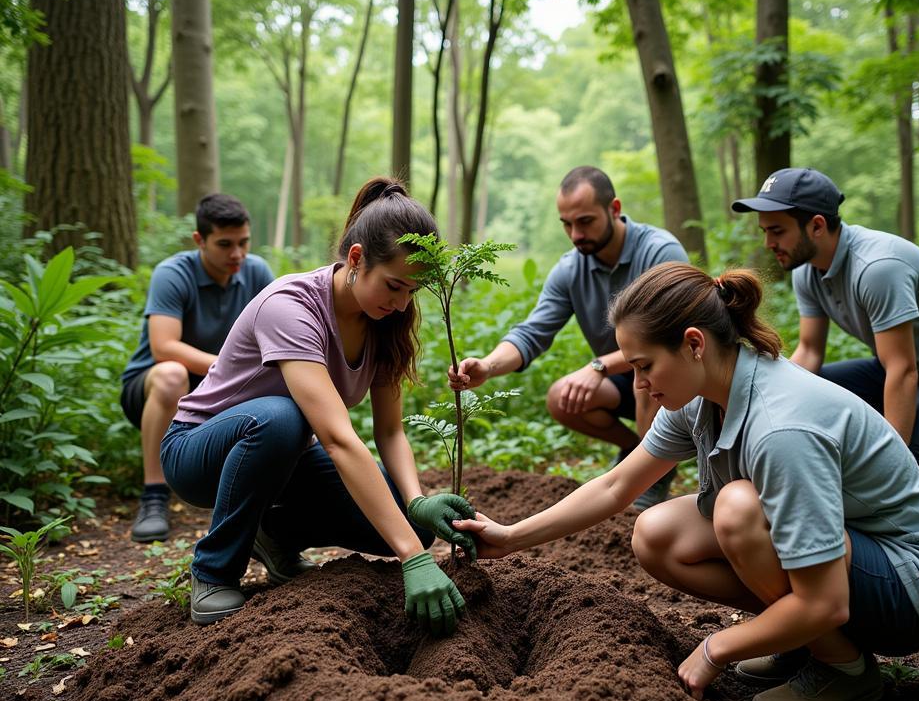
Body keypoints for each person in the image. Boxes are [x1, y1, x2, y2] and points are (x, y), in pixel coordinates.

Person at [451, 263, 919, 701]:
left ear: (694, 343)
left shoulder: (781, 428)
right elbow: (614, 487)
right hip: (857, 551)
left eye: (645, 365)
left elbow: (827, 601)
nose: (640, 384)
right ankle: (805, 642)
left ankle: (845, 670)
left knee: (738, 509)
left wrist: (717, 648)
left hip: (913, 584)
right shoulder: (700, 397)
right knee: (656, 533)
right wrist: (512, 536)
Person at [160, 177, 476, 633]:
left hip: (282, 460)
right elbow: (336, 437)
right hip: (198, 450)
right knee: (280, 417)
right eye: (393, 286)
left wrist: (416, 501)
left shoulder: (385, 321)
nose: (403, 302)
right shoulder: (290, 306)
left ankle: (274, 537)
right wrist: (412, 558)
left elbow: (389, 432)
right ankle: (213, 571)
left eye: (412, 291)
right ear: (356, 258)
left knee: (406, 521)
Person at [732, 168, 919, 506]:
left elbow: (903, 370)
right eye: (764, 231)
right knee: (811, 395)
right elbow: (809, 352)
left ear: (817, 225)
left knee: (912, 463)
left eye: (777, 231)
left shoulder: (878, 267)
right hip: (898, 368)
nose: (768, 244)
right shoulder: (807, 270)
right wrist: (768, 401)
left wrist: (891, 460)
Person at [449, 165, 688, 509]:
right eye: (567, 224)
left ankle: (653, 473)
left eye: (585, 221)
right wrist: (488, 366)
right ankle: (641, 452)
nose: (575, 234)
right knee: (563, 396)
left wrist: (599, 366)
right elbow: (533, 332)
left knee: (645, 375)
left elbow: (669, 342)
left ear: (615, 209)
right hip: (625, 377)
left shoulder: (659, 253)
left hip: (678, 379)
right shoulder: (570, 269)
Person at [120, 194, 275, 543]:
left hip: (217, 390)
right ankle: (154, 495)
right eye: (225, 244)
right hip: (154, 386)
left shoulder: (257, 272)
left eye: (243, 242)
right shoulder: (173, 274)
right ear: (199, 240)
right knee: (172, 373)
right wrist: (227, 367)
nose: (237, 254)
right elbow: (163, 346)